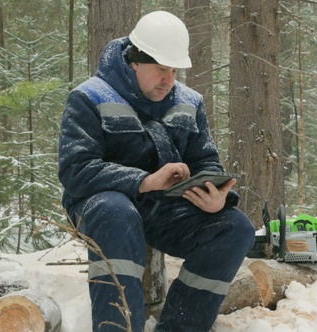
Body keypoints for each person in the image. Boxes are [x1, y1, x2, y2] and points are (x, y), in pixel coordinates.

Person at [58, 10, 255, 332]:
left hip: (166, 208)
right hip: (100, 207)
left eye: (174, 70)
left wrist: (215, 198)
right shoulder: (89, 96)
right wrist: (144, 181)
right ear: (135, 60)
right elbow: (76, 171)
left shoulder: (190, 102)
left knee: (234, 227)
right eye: (161, 69)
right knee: (116, 212)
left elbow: (206, 161)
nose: (169, 79)